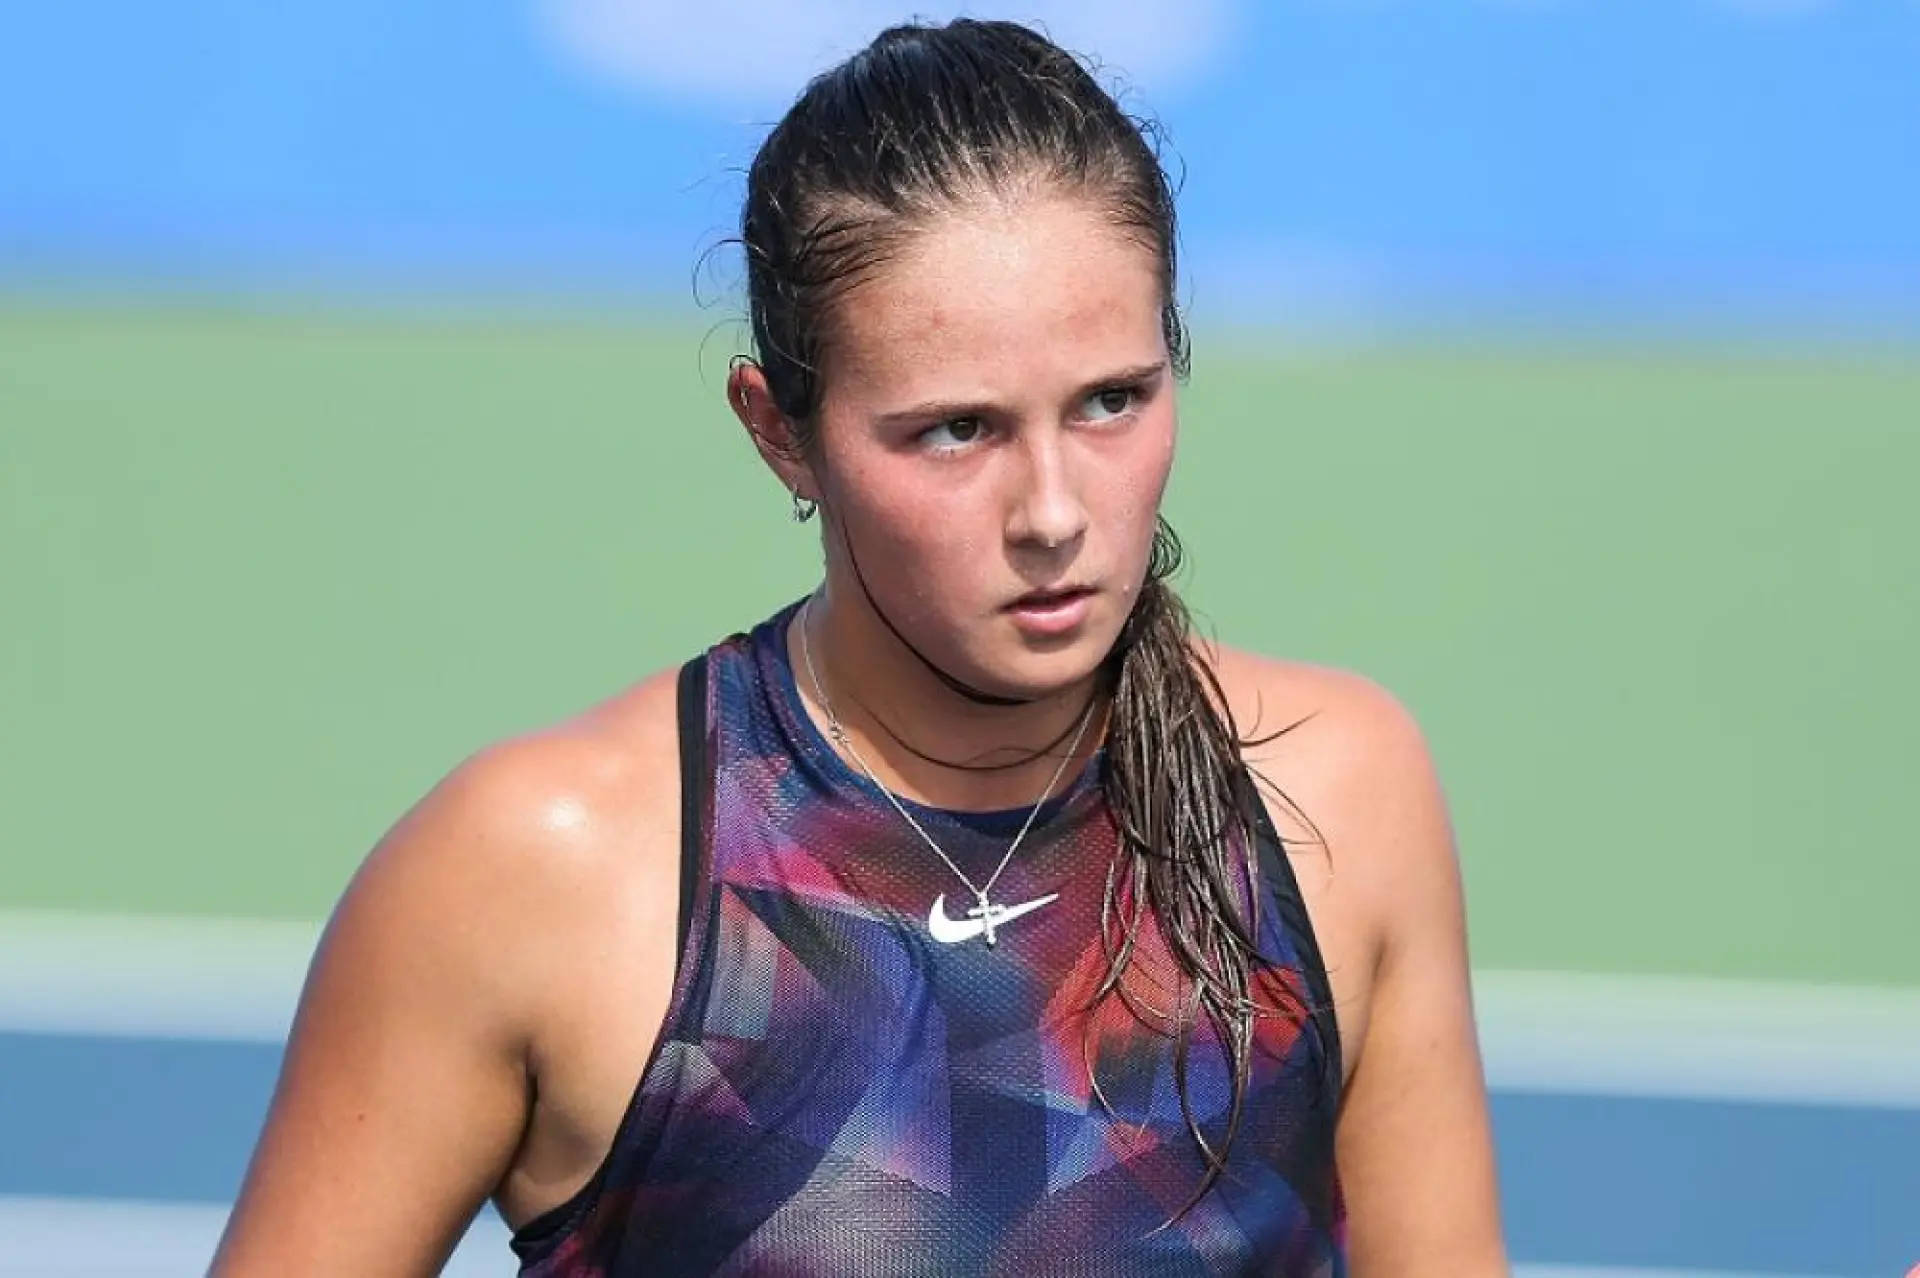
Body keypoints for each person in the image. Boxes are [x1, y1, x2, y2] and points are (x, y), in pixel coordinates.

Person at [213, 18, 1504, 1276]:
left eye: (1112, 399)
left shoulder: (1334, 788)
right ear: (780, 432)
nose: (1054, 512)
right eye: (955, 430)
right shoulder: (533, 872)